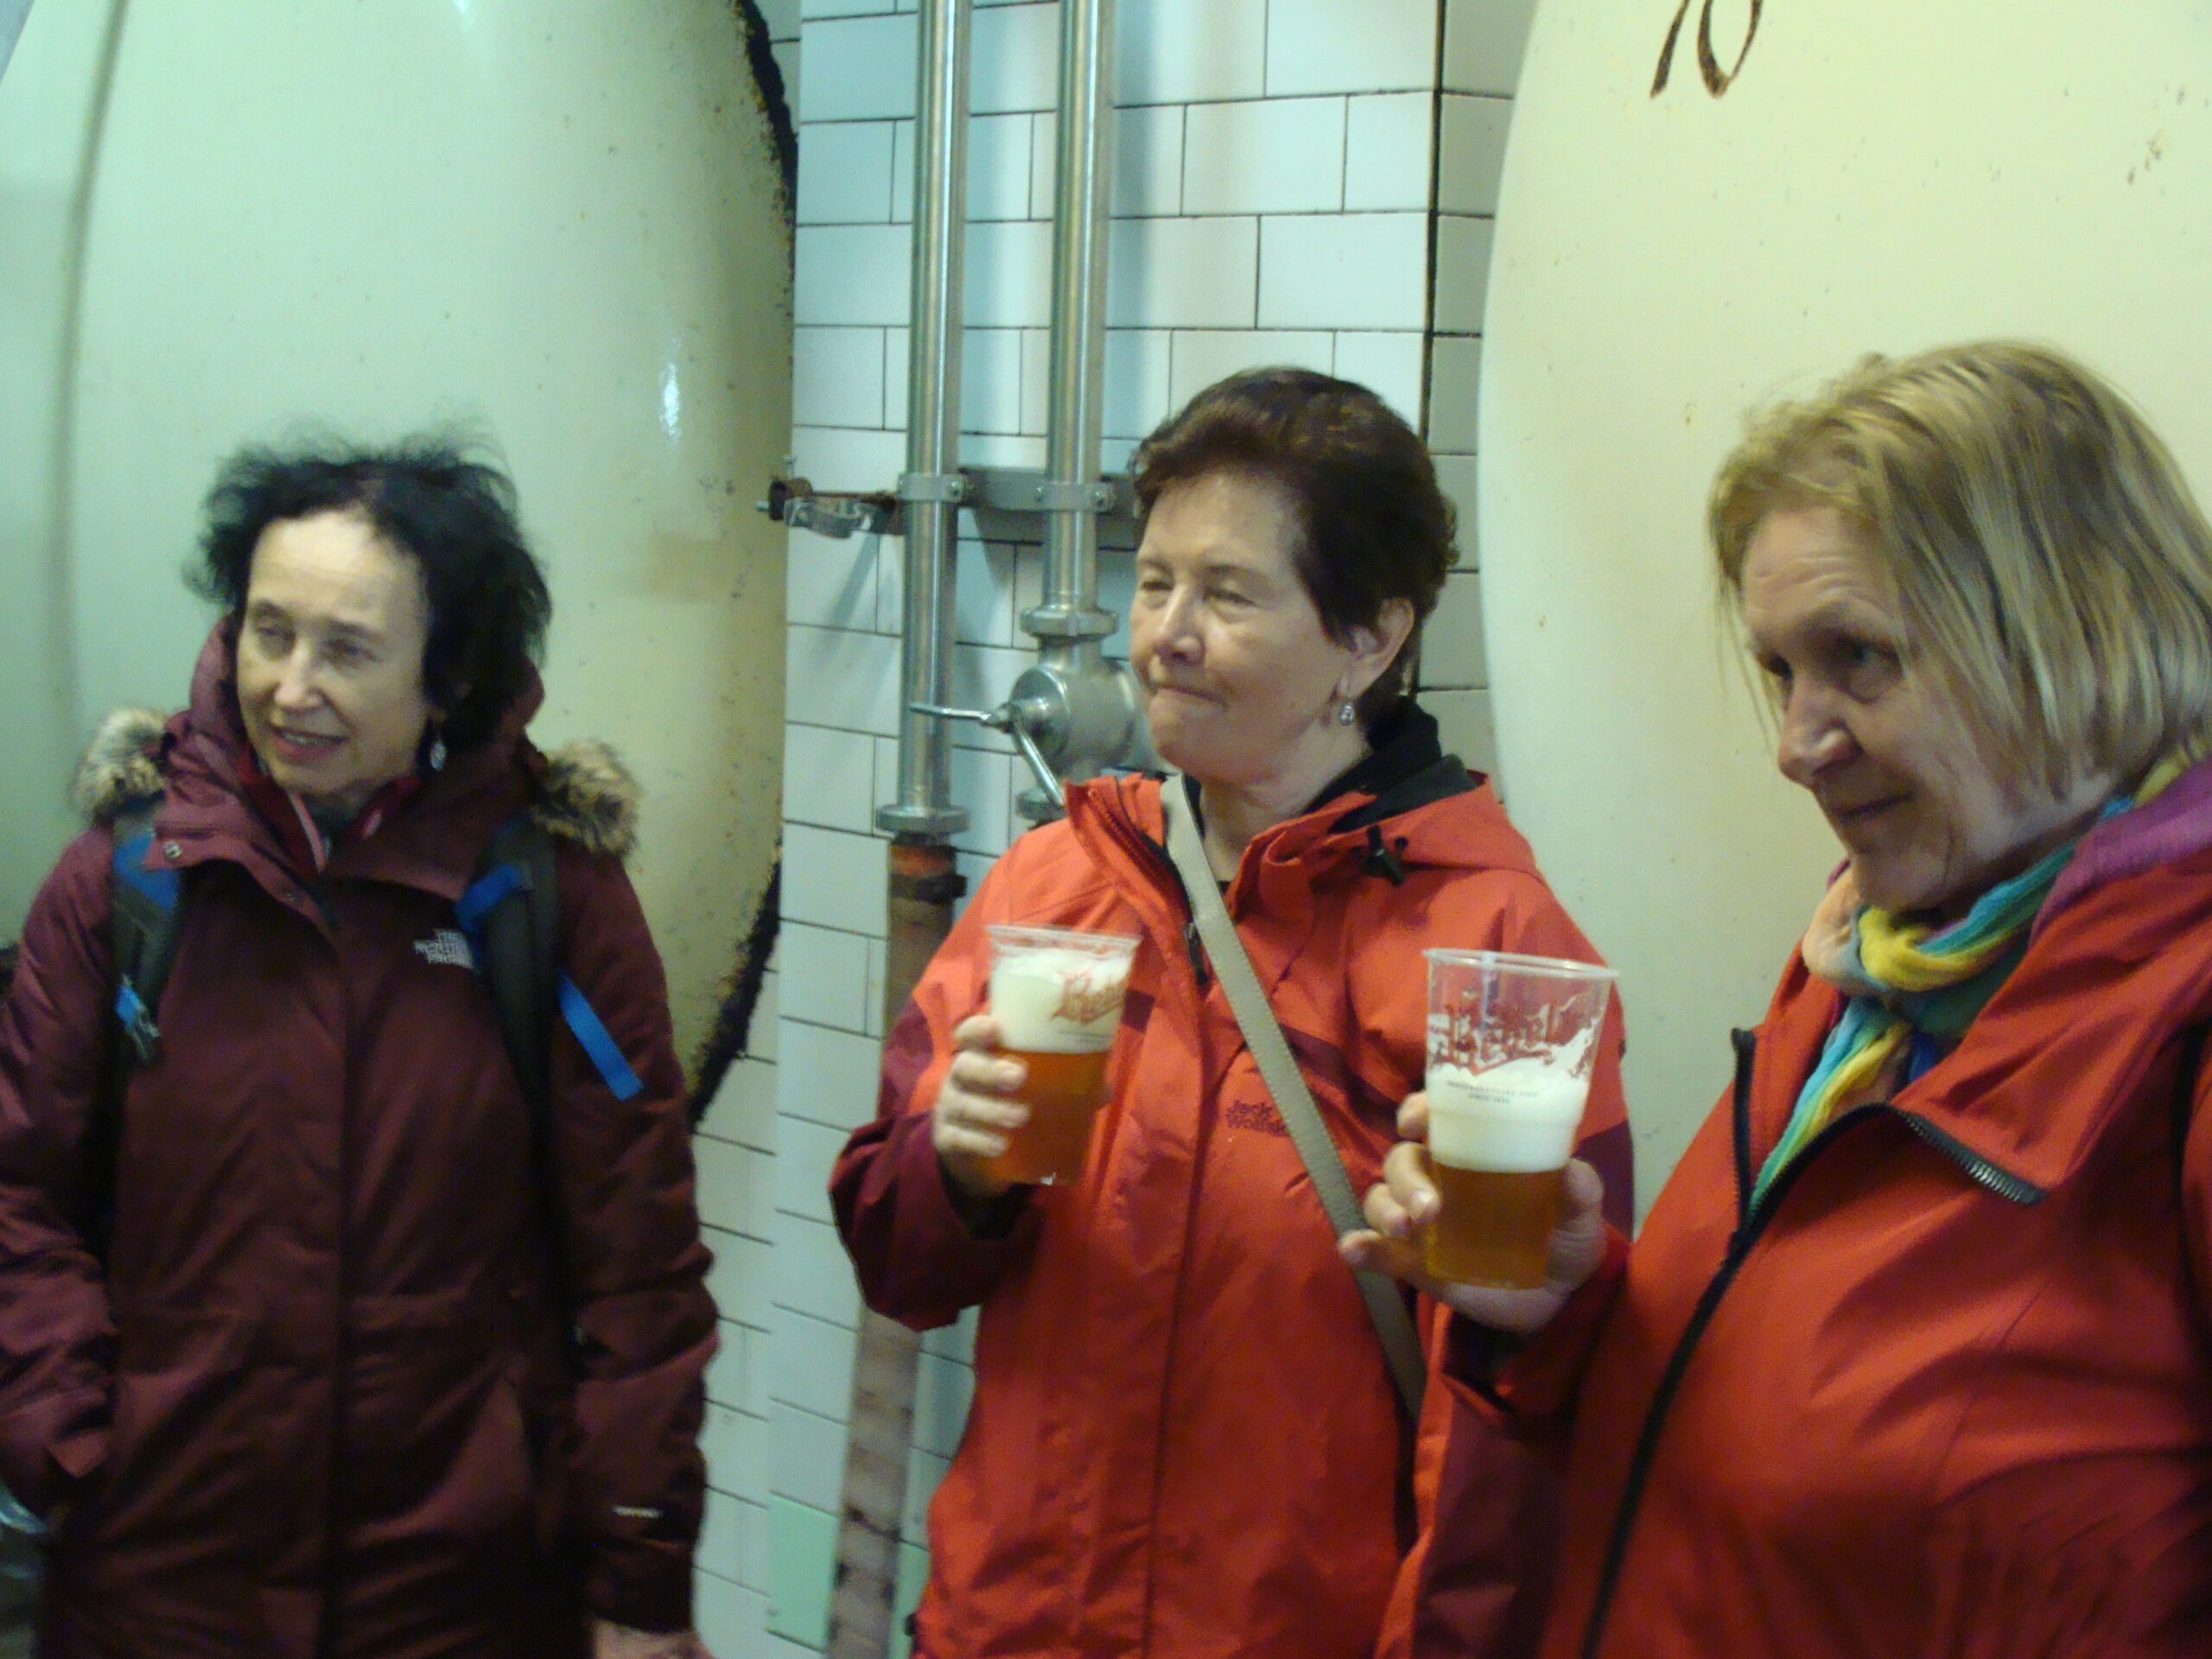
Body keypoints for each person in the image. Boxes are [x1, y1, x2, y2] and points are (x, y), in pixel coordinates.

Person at [1348, 340, 2212, 1656]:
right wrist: (1567, 1311)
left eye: (1860, 656)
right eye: (1779, 671)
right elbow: (1745, 1429)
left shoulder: (2176, 1026)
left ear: (2082, 633)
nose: (1798, 745)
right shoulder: (1866, 973)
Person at [831, 368, 1632, 1659]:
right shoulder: (1060, 883)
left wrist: (1552, 1308)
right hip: (1002, 1627)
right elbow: (898, 1266)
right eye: (1155, 582)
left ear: (1371, 638)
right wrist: (957, 1173)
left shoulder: (1487, 945)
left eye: (1229, 593)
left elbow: (1527, 1425)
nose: (1166, 634)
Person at [0, 438, 719, 1658]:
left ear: (450, 675)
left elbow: (637, 1263)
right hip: (158, 1584)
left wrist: (640, 1576)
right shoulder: (132, 878)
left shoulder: (545, 898)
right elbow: (22, 1196)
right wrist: (67, 1446)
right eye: (269, 632)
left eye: (347, 650)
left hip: (458, 1597)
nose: (291, 687)